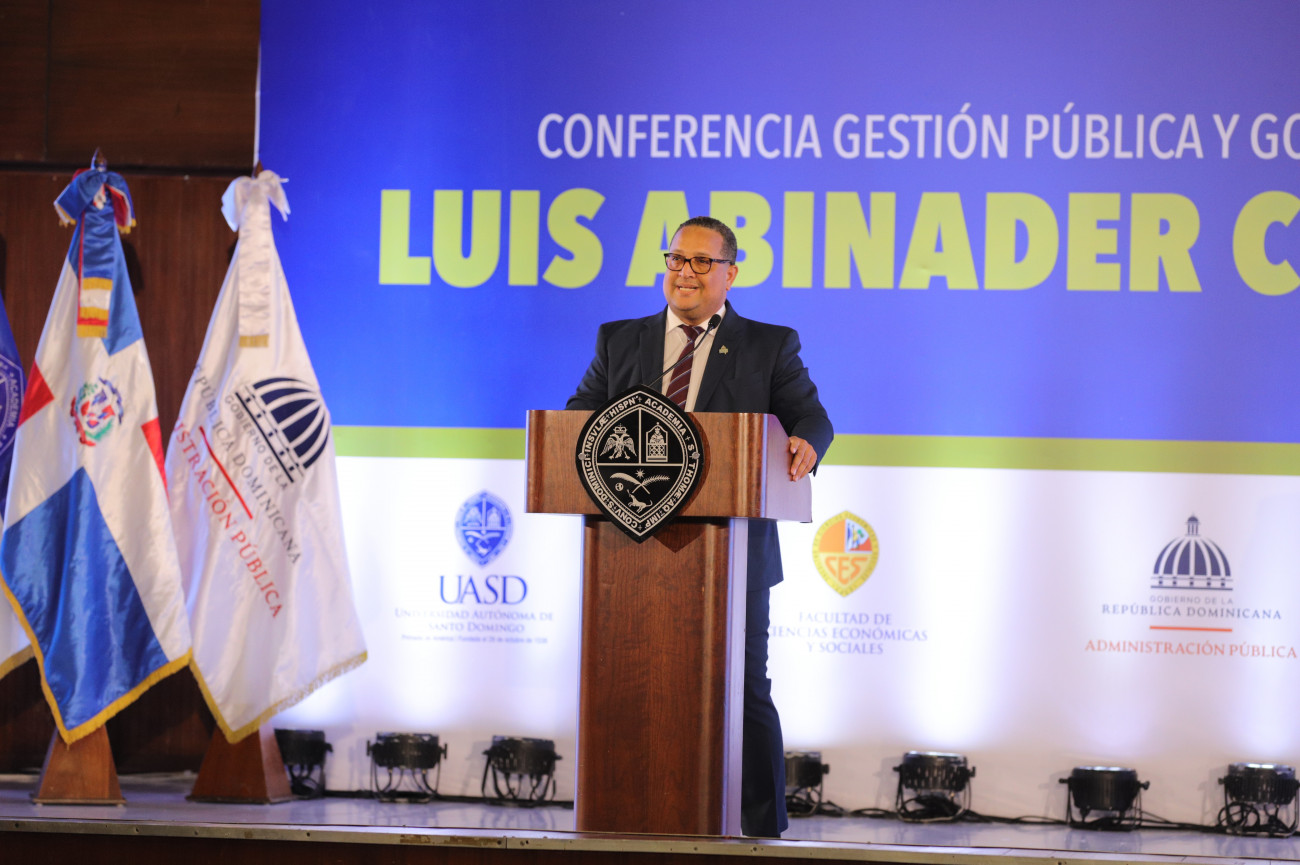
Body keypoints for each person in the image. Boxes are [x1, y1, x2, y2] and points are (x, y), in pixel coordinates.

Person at [566, 215, 833, 837]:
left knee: (744, 686)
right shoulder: (619, 339)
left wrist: (806, 442)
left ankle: (759, 829)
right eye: (676, 259)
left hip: (732, 550)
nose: (685, 272)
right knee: (632, 685)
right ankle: (627, 811)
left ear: (730, 274)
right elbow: (579, 417)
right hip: (631, 548)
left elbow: (811, 416)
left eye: (701, 262)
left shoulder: (769, 344)